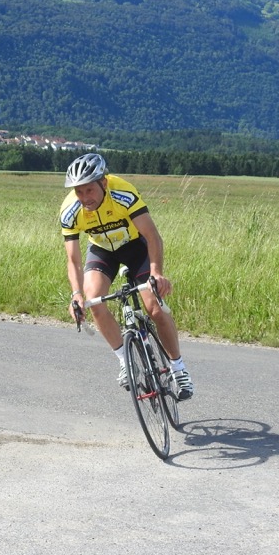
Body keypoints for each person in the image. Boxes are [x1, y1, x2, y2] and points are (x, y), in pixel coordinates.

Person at [59, 152, 194, 399]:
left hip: (135, 246)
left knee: (155, 308)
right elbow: (73, 259)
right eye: (79, 191)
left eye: (89, 190)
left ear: (104, 183)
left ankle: (178, 368)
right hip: (102, 250)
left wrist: (156, 273)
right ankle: (125, 360)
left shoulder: (123, 193)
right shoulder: (70, 210)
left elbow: (152, 236)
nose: (85, 198)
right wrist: (76, 295)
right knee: (94, 301)